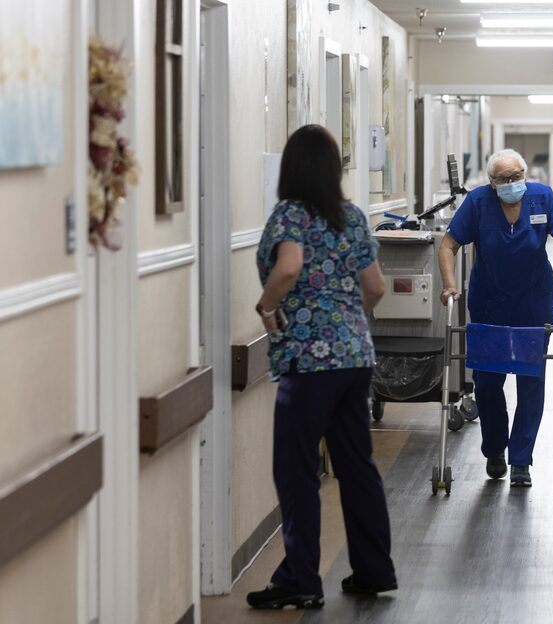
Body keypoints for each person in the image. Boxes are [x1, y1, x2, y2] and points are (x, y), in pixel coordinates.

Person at [247, 125, 397, 609]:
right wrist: (346, 321)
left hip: (307, 363)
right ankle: (373, 571)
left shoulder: (289, 216)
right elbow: (374, 287)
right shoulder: (350, 217)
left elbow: (288, 267)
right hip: (354, 357)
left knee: (297, 470)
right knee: (357, 466)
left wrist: (268, 307)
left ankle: (301, 579)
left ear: (291, 169)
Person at [438, 149, 553, 487]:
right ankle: (494, 450)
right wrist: (449, 285)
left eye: (517, 176)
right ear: (492, 183)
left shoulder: (542, 198)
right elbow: (447, 245)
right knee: (487, 385)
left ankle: (520, 461)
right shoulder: (477, 203)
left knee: (531, 383)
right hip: (490, 306)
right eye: (504, 179)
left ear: (525, 175)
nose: (512, 183)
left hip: (533, 306)